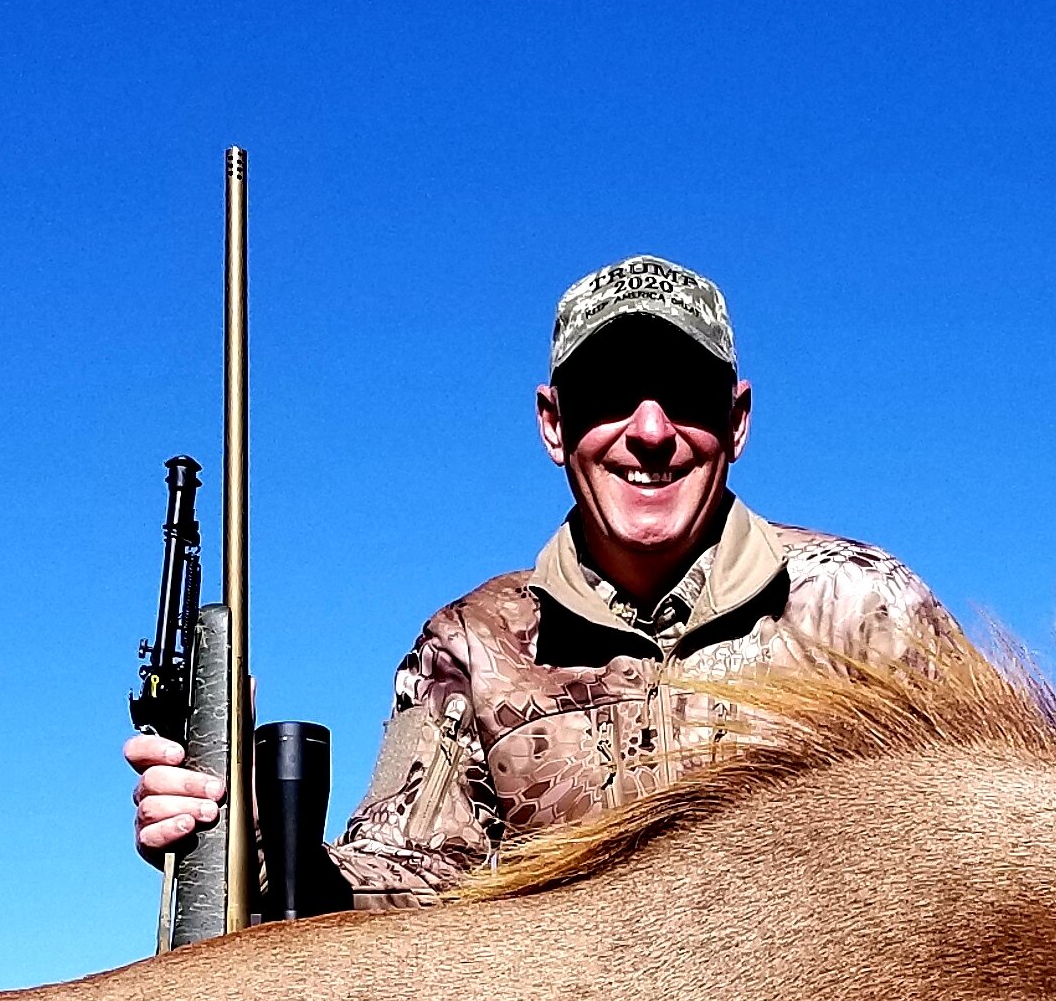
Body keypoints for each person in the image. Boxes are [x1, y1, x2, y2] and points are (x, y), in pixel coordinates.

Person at [128, 254, 957, 907]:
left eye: (684, 394)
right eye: (610, 394)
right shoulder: (468, 645)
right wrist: (256, 850)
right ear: (554, 425)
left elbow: (979, 848)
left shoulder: (870, 611)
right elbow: (415, 881)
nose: (651, 432)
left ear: (737, 421)